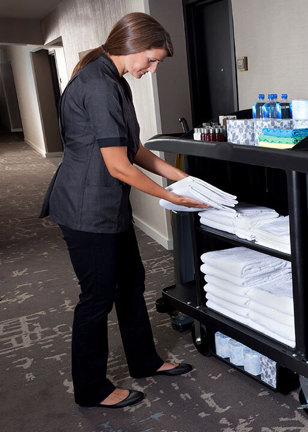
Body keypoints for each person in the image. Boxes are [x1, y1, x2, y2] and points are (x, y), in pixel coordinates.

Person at [40, 12, 209, 409]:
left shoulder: (114, 81)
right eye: (150, 60)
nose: (150, 70)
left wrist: (178, 178)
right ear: (131, 46)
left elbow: (132, 149)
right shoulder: (97, 85)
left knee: (131, 283)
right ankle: (91, 388)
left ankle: (144, 361)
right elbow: (118, 166)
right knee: (97, 297)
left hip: (107, 205)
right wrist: (170, 197)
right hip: (86, 209)